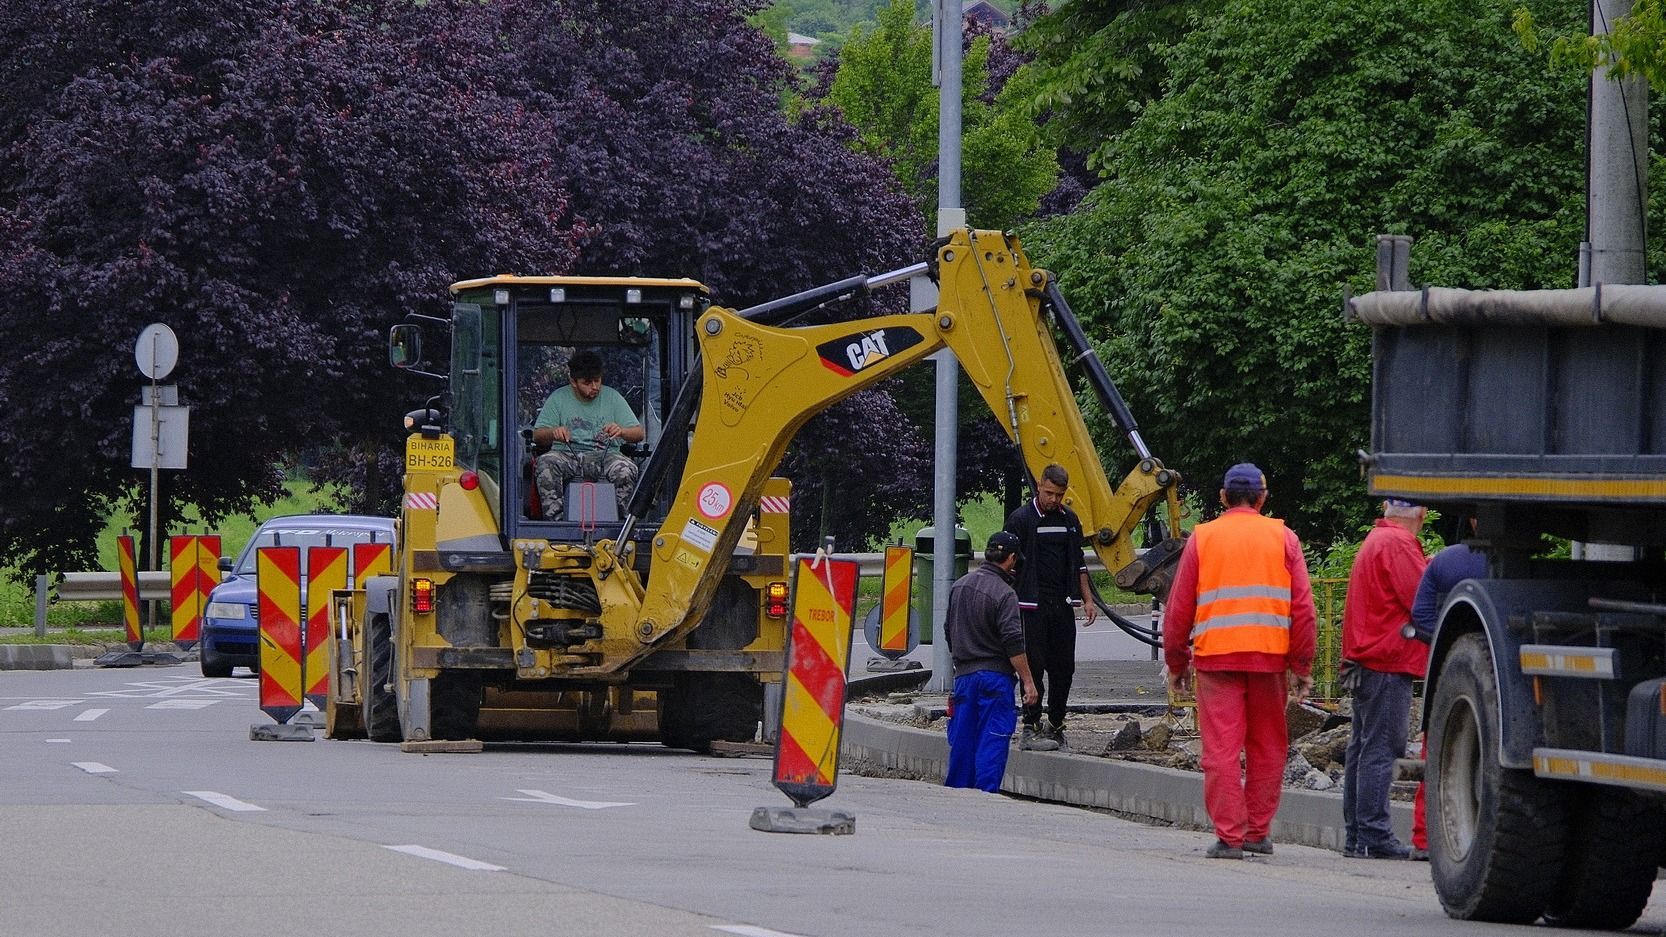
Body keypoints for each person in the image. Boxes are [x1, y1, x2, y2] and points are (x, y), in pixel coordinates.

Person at [1164, 462, 1317, 859]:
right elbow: (1303, 608)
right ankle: (1256, 832)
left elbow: (1179, 608)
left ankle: (1230, 837)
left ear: (1222, 497)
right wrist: (1301, 666)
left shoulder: (1203, 538)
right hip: (1269, 658)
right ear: (1263, 498)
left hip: (1217, 659)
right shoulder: (1284, 538)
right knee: (1268, 747)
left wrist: (1176, 662)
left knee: (1221, 750)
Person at [1340, 497, 1429, 860]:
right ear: (1420, 515)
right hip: (1388, 660)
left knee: (1361, 748)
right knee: (1380, 749)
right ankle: (1374, 835)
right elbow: (1421, 601)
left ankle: (1357, 836)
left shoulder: (1378, 539)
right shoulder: (1398, 544)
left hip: (1368, 659)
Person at [1405, 517, 1488, 861]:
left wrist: (1449, 638)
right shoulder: (1530, 568)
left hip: (1450, 671)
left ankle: (1425, 839)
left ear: (1473, 520)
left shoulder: (1445, 561)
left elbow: (1420, 616)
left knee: (1438, 752)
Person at [1003, 463, 1097, 752]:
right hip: (1031, 605)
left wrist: (1087, 598)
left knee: (1063, 668)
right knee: (1033, 666)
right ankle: (1030, 725)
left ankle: (1056, 723)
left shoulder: (1069, 519)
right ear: (1040, 486)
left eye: (1059, 494)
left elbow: (1078, 561)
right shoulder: (1021, 519)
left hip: (1062, 603)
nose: (1053, 499)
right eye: (1049, 493)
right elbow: (1006, 563)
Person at [944, 531, 1042, 792]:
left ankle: (957, 794)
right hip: (995, 680)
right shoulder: (1005, 593)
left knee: (963, 738)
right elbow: (1013, 642)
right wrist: (1028, 681)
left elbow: (947, 630)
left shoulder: (959, 586)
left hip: (963, 678)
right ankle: (986, 797)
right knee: (993, 738)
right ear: (1010, 559)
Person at [532, 350, 644, 520]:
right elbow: (538, 435)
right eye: (587, 382)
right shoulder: (558, 398)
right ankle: (556, 522)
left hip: (606, 456)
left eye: (597, 381)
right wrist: (554, 433)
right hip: (567, 454)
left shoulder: (613, 397)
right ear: (573, 382)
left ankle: (622, 523)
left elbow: (639, 433)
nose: (595, 387)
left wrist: (622, 431)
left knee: (625, 469)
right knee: (546, 463)